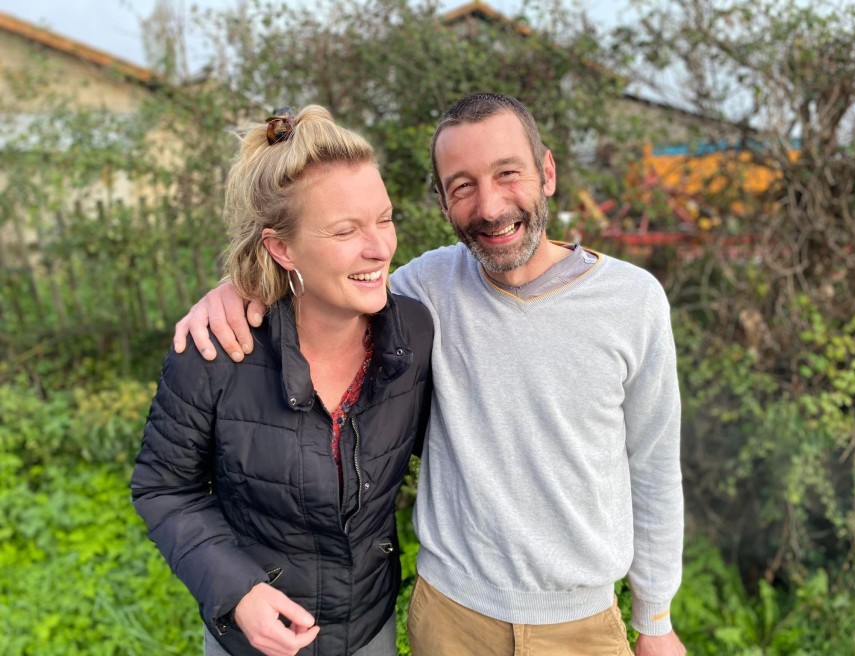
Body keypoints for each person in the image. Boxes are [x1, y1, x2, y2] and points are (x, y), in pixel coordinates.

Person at [174, 93, 686, 656]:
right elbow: (327, 284)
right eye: (462, 186)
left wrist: (655, 617)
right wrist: (238, 289)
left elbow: (654, 465)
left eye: (508, 173)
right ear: (442, 202)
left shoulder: (633, 301)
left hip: (581, 625)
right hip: (449, 618)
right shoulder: (426, 290)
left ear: (547, 172)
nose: (490, 206)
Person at [131, 105, 433, 656]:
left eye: (385, 219)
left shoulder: (413, 332)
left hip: (369, 629)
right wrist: (238, 591)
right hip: (251, 642)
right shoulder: (215, 351)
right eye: (345, 230)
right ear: (281, 248)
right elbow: (164, 488)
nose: (380, 248)